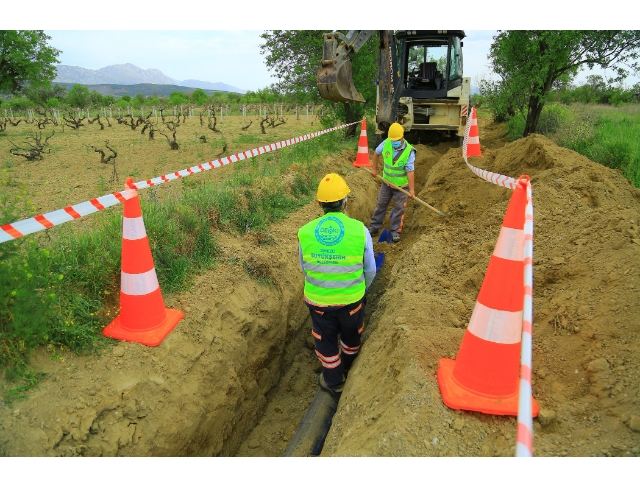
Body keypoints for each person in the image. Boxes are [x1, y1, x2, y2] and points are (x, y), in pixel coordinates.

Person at [297, 173, 376, 399]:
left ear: (320, 204)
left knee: (325, 343)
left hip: (319, 303)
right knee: (351, 337)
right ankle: (348, 366)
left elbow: (304, 267)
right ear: (345, 202)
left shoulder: (305, 231)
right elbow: (370, 270)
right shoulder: (359, 229)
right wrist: (361, 291)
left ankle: (334, 382)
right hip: (352, 301)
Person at [368, 122, 416, 243]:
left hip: (401, 187)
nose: (393, 142)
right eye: (392, 139)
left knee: (399, 209)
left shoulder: (409, 151)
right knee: (380, 205)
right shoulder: (387, 143)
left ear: (402, 137)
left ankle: (395, 231)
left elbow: (410, 171)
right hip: (386, 184)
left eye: (396, 140)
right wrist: (374, 169)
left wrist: (411, 190)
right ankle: (374, 227)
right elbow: (376, 153)